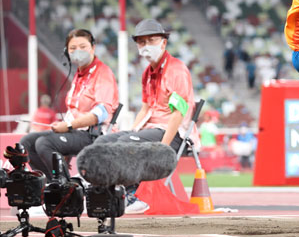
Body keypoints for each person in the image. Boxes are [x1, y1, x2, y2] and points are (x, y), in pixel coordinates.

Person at [93, 18, 198, 214]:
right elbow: (145, 108)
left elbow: (178, 113)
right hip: (150, 128)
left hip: (174, 134)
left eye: (151, 40)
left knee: (125, 143)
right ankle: (109, 194)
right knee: (104, 141)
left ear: (163, 43)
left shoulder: (176, 70)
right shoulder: (147, 73)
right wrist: (133, 131)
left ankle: (134, 196)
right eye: (142, 42)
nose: (146, 46)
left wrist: (162, 149)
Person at [20, 29, 119, 177]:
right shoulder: (78, 75)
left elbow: (101, 113)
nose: (77, 51)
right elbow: (72, 111)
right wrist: (64, 126)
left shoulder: (102, 73)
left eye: (83, 47)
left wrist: (68, 126)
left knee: (44, 143)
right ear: (67, 52)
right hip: (74, 131)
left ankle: (65, 189)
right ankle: (51, 183)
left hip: (94, 134)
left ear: (93, 48)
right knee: (27, 142)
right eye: (73, 48)